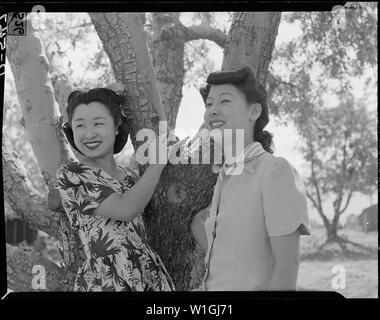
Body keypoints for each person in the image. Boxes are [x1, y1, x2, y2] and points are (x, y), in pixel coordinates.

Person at [191, 67, 311, 291]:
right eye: (209, 104)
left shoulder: (275, 171)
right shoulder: (224, 175)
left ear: (253, 112)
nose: (212, 111)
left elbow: (286, 267)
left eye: (225, 101)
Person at [57, 87, 175, 291]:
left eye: (99, 123)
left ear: (117, 125)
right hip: (107, 279)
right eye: (80, 126)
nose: (89, 133)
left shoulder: (130, 176)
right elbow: (125, 210)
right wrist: (157, 164)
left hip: (148, 273)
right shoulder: (72, 174)